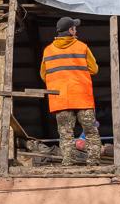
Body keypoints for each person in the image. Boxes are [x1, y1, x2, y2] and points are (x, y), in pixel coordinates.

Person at [40, 17, 101, 166]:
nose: (76, 29)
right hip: (82, 98)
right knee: (91, 132)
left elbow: (43, 75)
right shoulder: (82, 47)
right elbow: (94, 69)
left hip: (61, 99)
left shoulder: (48, 50)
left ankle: (68, 162)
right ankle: (93, 162)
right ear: (70, 30)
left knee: (65, 133)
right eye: (74, 27)